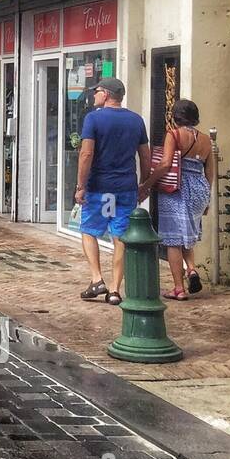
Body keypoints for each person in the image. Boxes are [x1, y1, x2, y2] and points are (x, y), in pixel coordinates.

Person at [75, 77, 150, 306]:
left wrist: (81, 186)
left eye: (96, 91)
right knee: (120, 237)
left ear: (106, 94)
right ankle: (115, 290)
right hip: (126, 187)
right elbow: (145, 155)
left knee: (88, 230)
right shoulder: (136, 120)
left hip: (99, 188)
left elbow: (86, 154)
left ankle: (97, 279)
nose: (94, 95)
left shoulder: (93, 119)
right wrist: (144, 184)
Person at [139, 99, 216, 299]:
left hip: (178, 188)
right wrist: (207, 199)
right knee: (187, 235)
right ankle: (191, 269)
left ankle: (178, 288)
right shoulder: (207, 140)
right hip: (200, 189)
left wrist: (147, 184)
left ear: (176, 116)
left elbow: (165, 164)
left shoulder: (173, 135)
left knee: (173, 240)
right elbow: (210, 171)